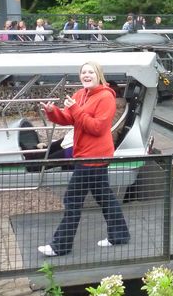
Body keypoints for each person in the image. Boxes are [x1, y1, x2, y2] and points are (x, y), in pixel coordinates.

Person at [37, 61, 130, 256]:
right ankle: (119, 234)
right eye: (83, 72)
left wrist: (76, 111)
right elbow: (69, 119)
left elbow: (97, 128)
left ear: (99, 75)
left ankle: (60, 246)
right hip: (87, 154)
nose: (86, 75)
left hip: (93, 156)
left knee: (72, 199)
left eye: (91, 72)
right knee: (104, 196)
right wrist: (52, 111)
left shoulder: (105, 97)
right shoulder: (81, 95)